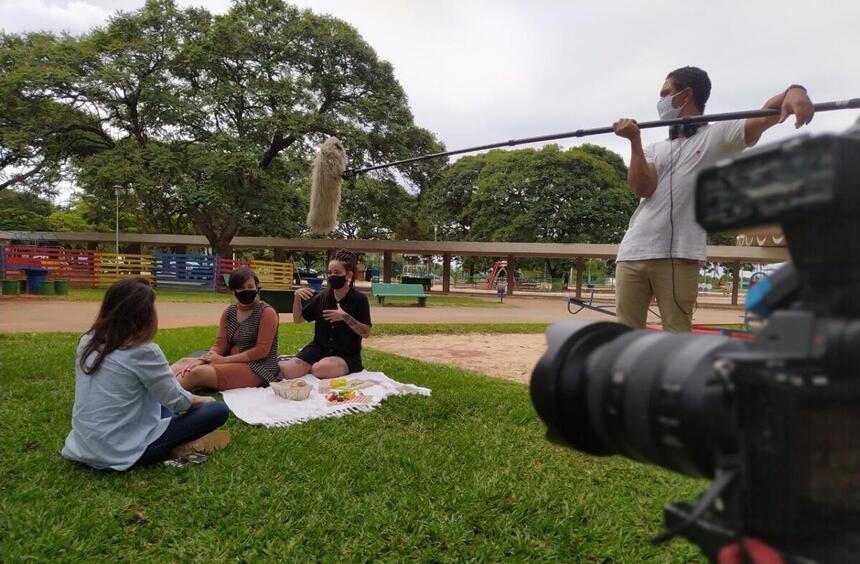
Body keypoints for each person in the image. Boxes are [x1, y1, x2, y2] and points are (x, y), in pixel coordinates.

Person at [612, 66, 814, 331]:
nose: (660, 100)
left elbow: (765, 113)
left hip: (681, 256)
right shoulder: (653, 148)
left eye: (666, 93)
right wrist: (634, 141)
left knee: (677, 337)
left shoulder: (717, 136)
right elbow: (642, 187)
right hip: (632, 252)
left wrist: (795, 90)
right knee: (622, 337)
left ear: (686, 94)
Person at [62, 278, 230, 471]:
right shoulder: (143, 350)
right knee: (217, 410)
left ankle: (177, 433)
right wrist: (204, 400)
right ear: (144, 314)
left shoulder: (87, 341)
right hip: (119, 451)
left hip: (83, 446)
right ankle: (180, 444)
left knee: (160, 400)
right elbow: (177, 401)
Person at [176, 267, 281, 391]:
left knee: (195, 373)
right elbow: (220, 344)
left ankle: (159, 397)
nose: (247, 290)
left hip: (258, 367)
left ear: (257, 287)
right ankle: (153, 385)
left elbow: (261, 350)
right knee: (184, 363)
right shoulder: (230, 312)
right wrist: (204, 359)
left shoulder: (266, 312)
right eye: (242, 288)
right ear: (234, 291)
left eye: (250, 286)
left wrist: (223, 360)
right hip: (229, 361)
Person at [279, 249, 372, 379]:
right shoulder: (322, 297)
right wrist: (297, 298)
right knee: (287, 370)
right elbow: (298, 320)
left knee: (320, 369)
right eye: (330, 272)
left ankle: (310, 366)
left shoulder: (359, 299)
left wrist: (345, 317)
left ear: (348, 275)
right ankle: (299, 362)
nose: (332, 276)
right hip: (319, 348)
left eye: (337, 272)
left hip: (346, 354)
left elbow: (365, 332)